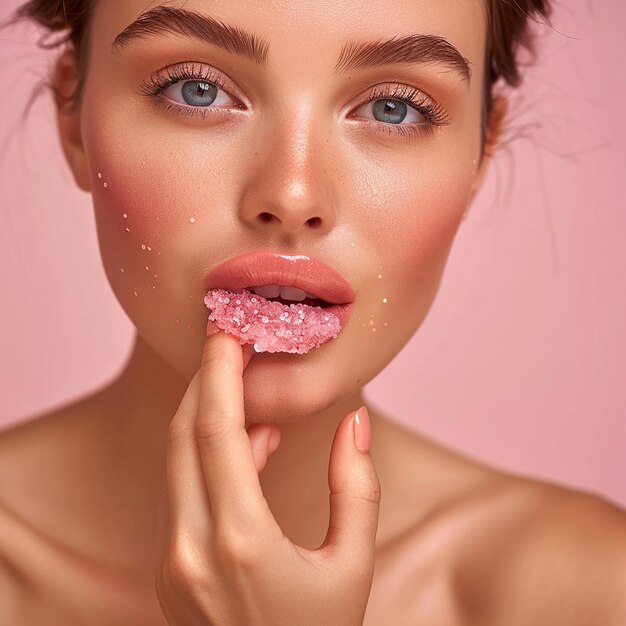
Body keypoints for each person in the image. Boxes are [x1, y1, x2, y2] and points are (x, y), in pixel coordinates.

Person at [1, 1, 625, 624]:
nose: (293, 195)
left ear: (479, 155)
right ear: (73, 116)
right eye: (197, 90)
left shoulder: (594, 591)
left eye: (394, 108)